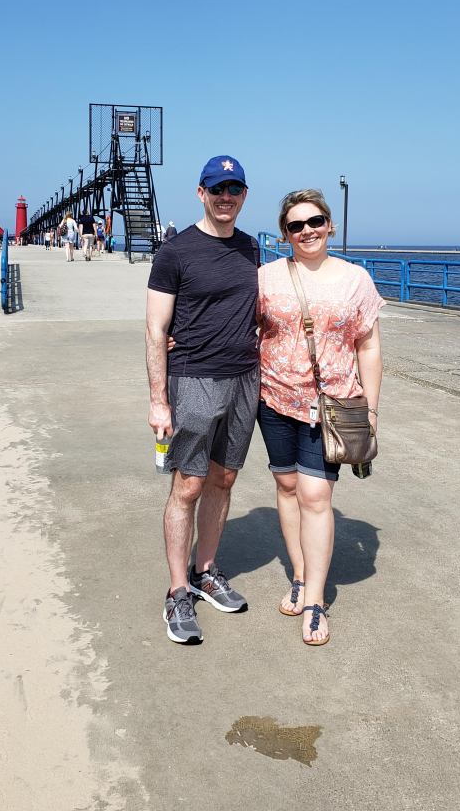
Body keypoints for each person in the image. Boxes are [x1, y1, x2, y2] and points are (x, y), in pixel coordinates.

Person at [257, 189, 384, 646]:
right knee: (287, 486)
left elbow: (369, 345)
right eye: (296, 225)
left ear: (329, 224)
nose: (307, 231)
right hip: (273, 398)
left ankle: (314, 599)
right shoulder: (266, 277)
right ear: (285, 233)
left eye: (315, 221)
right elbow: (240, 326)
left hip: (331, 404)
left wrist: (371, 408)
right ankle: (299, 573)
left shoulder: (355, 279)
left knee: (315, 495)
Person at [146, 156, 259, 645]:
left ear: (244, 195)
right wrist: (158, 400)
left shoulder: (252, 248)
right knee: (188, 485)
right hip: (193, 378)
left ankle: (205, 570)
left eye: (233, 189)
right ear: (201, 193)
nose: (225, 197)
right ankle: (177, 591)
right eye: (217, 189)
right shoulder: (175, 252)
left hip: (245, 377)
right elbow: (155, 329)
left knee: (224, 478)